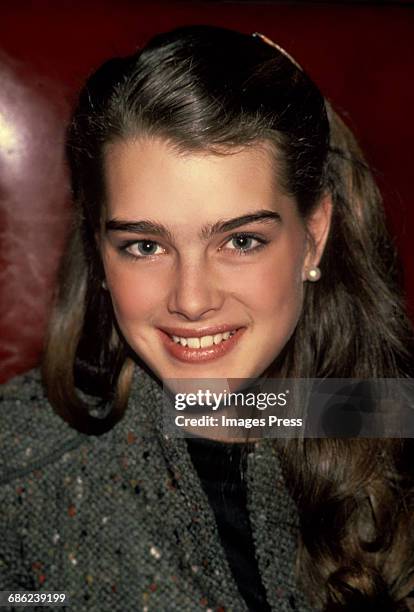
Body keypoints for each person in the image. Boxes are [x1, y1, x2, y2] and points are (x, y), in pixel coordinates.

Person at [1, 24, 414, 612]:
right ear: (99, 251)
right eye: (145, 246)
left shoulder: (385, 419)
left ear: (314, 238)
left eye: (241, 241)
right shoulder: (20, 474)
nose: (191, 300)